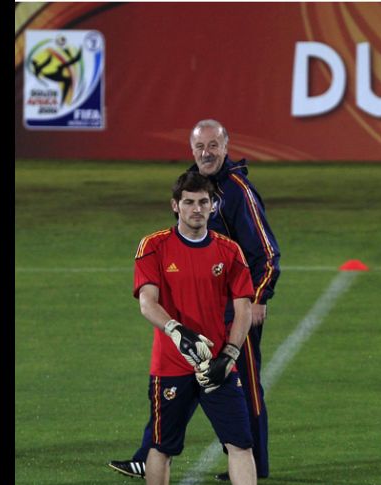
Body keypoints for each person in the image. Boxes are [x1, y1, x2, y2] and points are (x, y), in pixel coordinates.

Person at [109, 119, 280, 481]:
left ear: (225, 147)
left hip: (236, 310)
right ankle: (148, 453)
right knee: (180, 381)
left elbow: (265, 251)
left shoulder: (236, 191)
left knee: (243, 385)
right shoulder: (193, 185)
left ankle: (256, 463)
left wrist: (259, 296)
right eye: (200, 146)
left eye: (213, 146)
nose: (206, 153)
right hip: (201, 306)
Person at [132, 171, 257, 485]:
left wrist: (228, 356)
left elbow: (243, 309)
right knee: (162, 447)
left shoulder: (230, 251)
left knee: (241, 444)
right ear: (176, 205)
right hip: (171, 366)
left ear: (214, 206)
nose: (196, 209)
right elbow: (147, 302)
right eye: (189, 202)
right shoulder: (153, 246)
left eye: (204, 201)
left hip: (218, 365)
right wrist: (177, 331)